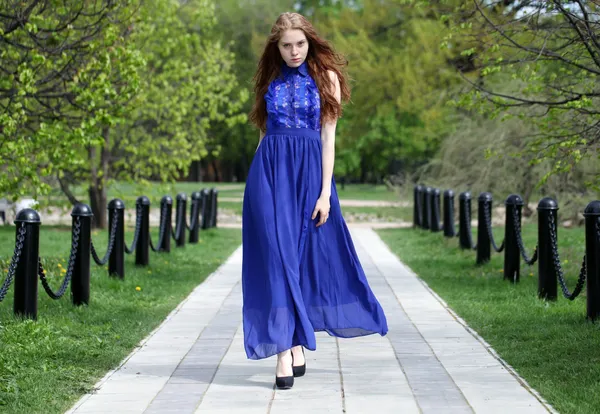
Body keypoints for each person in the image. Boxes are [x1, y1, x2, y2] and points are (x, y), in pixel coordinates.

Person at [242, 12, 388, 390]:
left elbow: (328, 139)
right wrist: (254, 184)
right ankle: (284, 349)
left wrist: (325, 192)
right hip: (269, 176)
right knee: (276, 258)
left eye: (300, 44)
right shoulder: (269, 80)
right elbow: (263, 136)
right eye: (286, 45)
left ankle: (295, 337)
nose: (294, 51)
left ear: (310, 42)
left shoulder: (328, 80)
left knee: (303, 259)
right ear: (276, 47)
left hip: (309, 177)